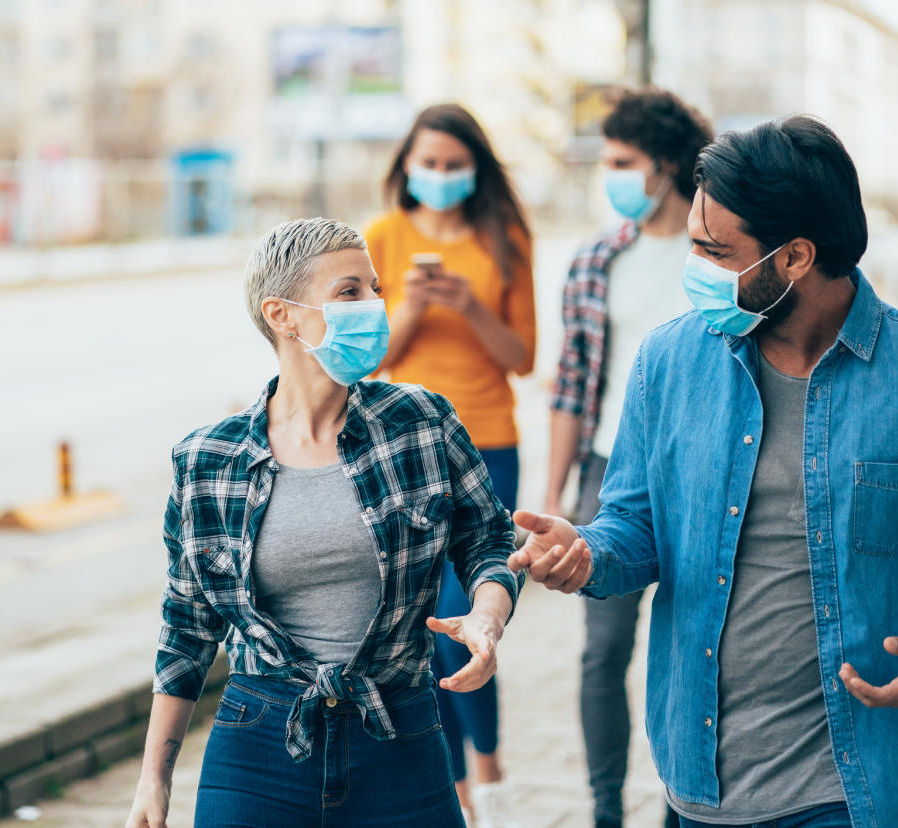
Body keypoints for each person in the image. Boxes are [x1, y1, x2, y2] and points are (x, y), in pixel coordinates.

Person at [511, 115, 898, 828]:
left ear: (794, 257)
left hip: (861, 791)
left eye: (714, 249)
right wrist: (585, 555)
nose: (692, 266)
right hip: (702, 783)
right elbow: (634, 527)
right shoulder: (666, 363)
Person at [125, 218, 522, 828]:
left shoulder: (421, 422)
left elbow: (487, 536)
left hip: (400, 733)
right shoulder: (207, 460)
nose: (375, 305)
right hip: (258, 743)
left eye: (375, 288)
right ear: (282, 315)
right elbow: (186, 625)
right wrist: (154, 779)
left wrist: (488, 615)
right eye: (349, 292)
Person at [544, 88, 713, 828]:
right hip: (611, 472)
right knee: (601, 651)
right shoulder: (596, 261)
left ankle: (697, 797)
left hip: (708, 473)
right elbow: (572, 389)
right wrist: (555, 499)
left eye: (622, 161)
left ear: (667, 162)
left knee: (704, 644)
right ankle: (606, 808)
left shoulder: (721, 255)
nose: (610, 175)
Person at [364, 103, 535, 827]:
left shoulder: (504, 239)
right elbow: (369, 356)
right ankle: (456, 776)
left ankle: (486, 764)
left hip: (488, 440)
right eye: (426, 162)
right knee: (421, 617)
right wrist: (409, 307)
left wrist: (468, 304)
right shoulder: (380, 239)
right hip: (403, 449)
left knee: (473, 609)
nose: (438, 175)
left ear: (477, 169)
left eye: (452, 163)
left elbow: (522, 358)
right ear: (406, 163)